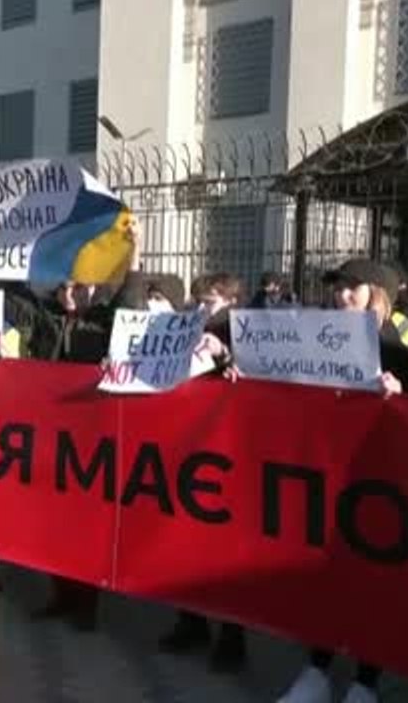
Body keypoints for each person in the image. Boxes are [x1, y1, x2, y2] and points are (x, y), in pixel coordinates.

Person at [278, 258, 408, 703]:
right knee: (326, 574)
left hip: (385, 478)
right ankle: (317, 670)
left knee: (376, 582)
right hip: (330, 470)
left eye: (353, 287)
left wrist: (403, 398)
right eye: (338, 288)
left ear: (377, 293)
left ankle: (366, 681)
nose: (342, 295)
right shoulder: (322, 332)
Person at [157, 272, 248, 671]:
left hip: (226, 453)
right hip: (188, 445)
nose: (201, 308)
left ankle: (232, 636)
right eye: (197, 301)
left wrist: (226, 357)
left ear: (231, 302)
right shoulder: (186, 326)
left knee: (224, 551)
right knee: (184, 542)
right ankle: (190, 621)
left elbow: (263, 378)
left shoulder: (247, 331)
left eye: (209, 302)